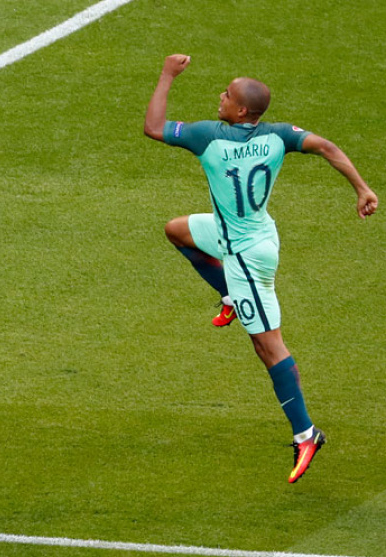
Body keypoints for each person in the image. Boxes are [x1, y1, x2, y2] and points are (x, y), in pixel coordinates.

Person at [144, 55, 377, 483]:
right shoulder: (278, 135)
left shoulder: (208, 137)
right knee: (177, 231)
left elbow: (154, 127)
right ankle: (230, 295)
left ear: (240, 111)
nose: (220, 96)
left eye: (227, 95)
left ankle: (306, 434)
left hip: (245, 257)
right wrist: (361, 188)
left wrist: (167, 75)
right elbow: (327, 147)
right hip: (252, 232)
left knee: (269, 347)